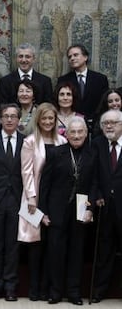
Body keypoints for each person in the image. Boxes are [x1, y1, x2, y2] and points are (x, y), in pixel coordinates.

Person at [39, 116, 95, 305]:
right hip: (56, 210)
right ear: (67, 134)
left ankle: (73, 292)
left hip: (80, 209)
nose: (77, 135)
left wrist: (91, 208)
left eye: (80, 132)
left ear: (86, 134)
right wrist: (43, 211)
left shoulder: (92, 154)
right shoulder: (56, 153)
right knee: (55, 252)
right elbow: (45, 184)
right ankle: (55, 292)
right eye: (73, 132)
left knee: (76, 252)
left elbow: (95, 184)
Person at [18, 103, 67, 301]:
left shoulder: (62, 141)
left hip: (56, 200)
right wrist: (31, 198)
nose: (47, 122)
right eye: (44, 118)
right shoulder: (30, 141)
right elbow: (26, 171)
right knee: (35, 244)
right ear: (38, 119)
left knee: (51, 245)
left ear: (56, 121)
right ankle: (34, 288)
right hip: (34, 197)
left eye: (51, 119)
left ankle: (48, 288)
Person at [0, 103, 24, 301]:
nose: (9, 119)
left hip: (17, 200)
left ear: (19, 120)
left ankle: (10, 286)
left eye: (13, 116)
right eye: (6, 116)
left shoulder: (26, 141)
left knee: (12, 245)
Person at [91, 110, 122, 303]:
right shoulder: (97, 144)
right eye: (105, 123)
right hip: (104, 207)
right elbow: (91, 174)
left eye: (114, 123)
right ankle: (99, 291)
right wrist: (97, 195)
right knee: (104, 250)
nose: (109, 126)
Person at [57, 44, 108, 126]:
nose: (72, 58)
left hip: (95, 124)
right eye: (70, 57)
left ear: (85, 57)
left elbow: (104, 103)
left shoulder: (100, 79)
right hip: (71, 124)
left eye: (75, 55)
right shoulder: (63, 80)